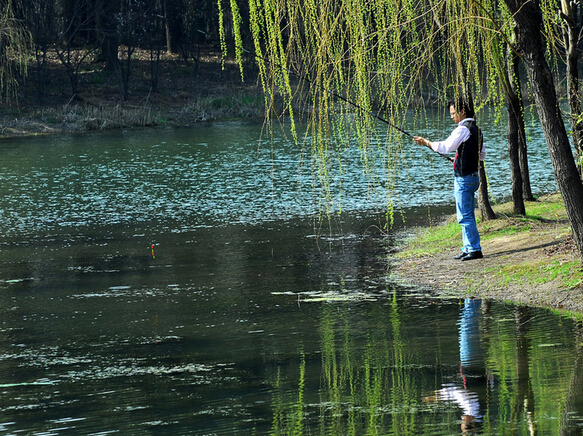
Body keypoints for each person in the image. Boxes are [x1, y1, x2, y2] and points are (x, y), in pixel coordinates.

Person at [413, 98, 486, 261]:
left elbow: (446, 147)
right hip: (474, 176)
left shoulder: (462, 129)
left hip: (464, 178)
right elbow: (481, 155)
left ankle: (474, 249)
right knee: (467, 214)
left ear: (462, 112)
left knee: (464, 216)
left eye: (453, 113)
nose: (452, 117)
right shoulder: (477, 129)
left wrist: (426, 142)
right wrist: (460, 158)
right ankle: (468, 247)